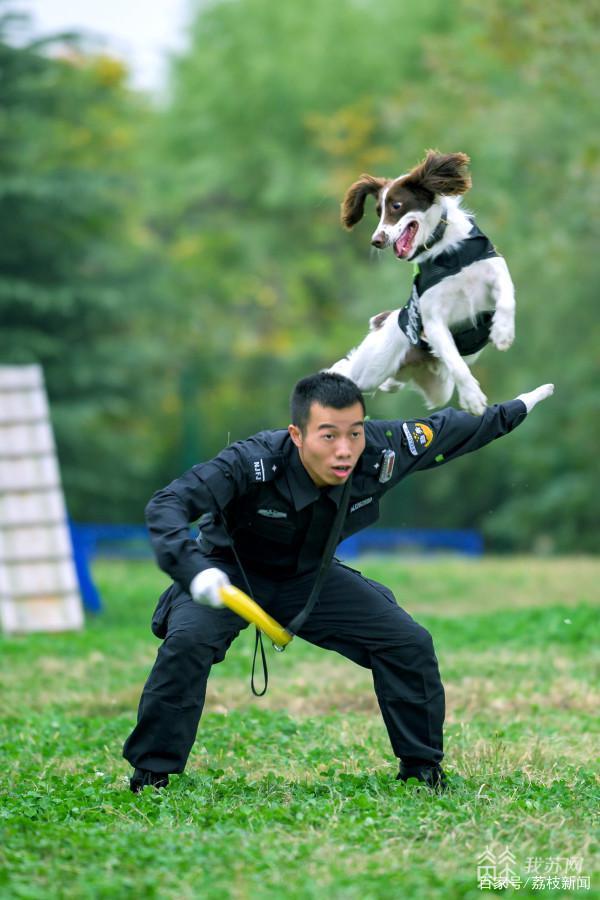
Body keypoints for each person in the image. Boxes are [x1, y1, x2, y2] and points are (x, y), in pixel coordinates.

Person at [123, 373, 554, 793]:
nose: (344, 450)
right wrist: (192, 569)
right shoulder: (251, 462)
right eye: (328, 436)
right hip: (226, 574)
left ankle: (422, 770)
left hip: (309, 578)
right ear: (297, 434)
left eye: (355, 433)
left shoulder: (383, 452)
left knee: (409, 643)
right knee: (187, 644)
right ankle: (152, 775)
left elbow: (450, 430)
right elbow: (169, 504)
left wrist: (514, 410)